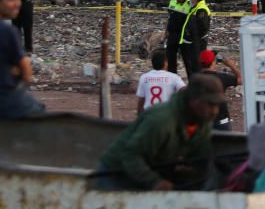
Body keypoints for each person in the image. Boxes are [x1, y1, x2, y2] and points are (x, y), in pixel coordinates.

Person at [97, 74, 225, 191]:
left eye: (217, 105)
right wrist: (154, 182)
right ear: (193, 101)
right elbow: (130, 155)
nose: (215, 111)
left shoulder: (203, 121)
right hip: (117, 172)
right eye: (210, 105)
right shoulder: (162, 120)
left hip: (153, 169)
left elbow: (199, 155)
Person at [200, 49, 241, 130]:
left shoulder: (195, 78)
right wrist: (230, 65)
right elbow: (241, 79)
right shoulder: (222, 77)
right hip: (221, 123)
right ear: (213, 63)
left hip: (203, 123)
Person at [135, 49, 185, 115]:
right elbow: (184, 90)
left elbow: (141, 100)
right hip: (167, 115)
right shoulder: (174, 77)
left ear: (152, 63)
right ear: (165, 63)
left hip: (149, 115)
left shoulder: (144, 77)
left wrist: (139, 116)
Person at [178, 0, 210, 77]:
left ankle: (198, 85)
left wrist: (193, 38)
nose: (191, 0)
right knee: (191, 65)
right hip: (191, 42)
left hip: (197, 43)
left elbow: (203, 28)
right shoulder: (195, 8)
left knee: (196, 65)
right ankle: (193, 84)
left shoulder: (201, 9)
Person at [164, 0, 192, 74]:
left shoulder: (190, 4)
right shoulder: (172, 1)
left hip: (184, 35)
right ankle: (172, 78)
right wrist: (166, 32)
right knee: (170, 58)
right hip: (172, 34)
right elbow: (169, 18)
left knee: (187, 59)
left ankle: (192, 81)